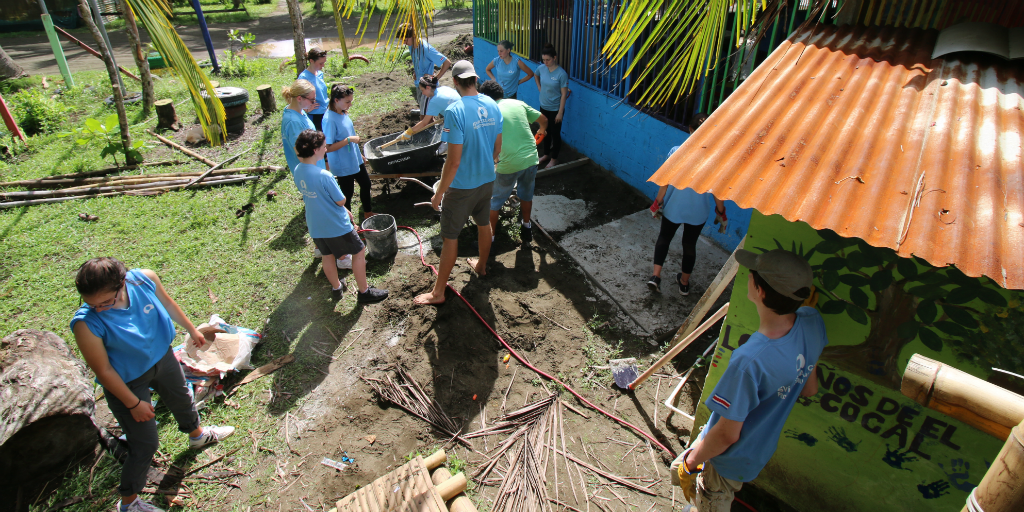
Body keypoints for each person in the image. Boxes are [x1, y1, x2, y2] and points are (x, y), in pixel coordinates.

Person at [70, 257, 236, 512]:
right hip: (127, 382)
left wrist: (192, 329)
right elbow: (103, 371)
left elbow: (168, 303)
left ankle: (197, 436)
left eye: (106, 302)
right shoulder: (86, 323)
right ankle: (129, 504)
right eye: (92, 304)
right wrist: (133, 403)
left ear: (123, 283)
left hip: (162, 357)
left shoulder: (144, 279)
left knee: (182, 398)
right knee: (145, 443)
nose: (100, 309)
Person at [671, 249, 827, 512]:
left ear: (760, 291)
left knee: (705, 498)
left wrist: (691, 463)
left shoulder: (749, 360)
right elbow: (810, 389)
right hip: (756, 452)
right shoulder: (812, 322)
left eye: (752, 275)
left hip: (724, 461)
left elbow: (727, 435)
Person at [414, 60, 502, 305]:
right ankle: (481, 266)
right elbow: (498, 147)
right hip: (487, 180)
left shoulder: (455, 111)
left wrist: (438, 194)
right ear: (475, 80)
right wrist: (485, 163)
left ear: (454, 81)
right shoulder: (493, 105)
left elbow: (452, 163)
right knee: (483, 223)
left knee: (451, 236)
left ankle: (438, 293)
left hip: (462, 186)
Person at [293, 129, 389, 304]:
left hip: (315, 225)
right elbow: (340, 200)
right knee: (359, 250)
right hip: (335, 225)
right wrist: (344, 206)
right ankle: (364, 292)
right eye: (324, 147)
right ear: (315, 150)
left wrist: (345, 209)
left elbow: (315, 196)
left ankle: (337, 288)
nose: (326, 149)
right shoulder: (324, 175)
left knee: (327, 255)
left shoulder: (298, 169)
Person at [647, 114, 725, 296]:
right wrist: (721, 213)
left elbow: (664, 181)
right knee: (690, 245)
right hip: (698, 213)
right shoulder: (714, 159)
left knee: (664, 238)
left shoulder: (676, 151)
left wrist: (657, 202)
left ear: (690, 129)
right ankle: (684, 283)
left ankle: (655, 277)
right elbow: (717, 191)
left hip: (674, 207)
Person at [478, 79, 547, 246]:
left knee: (493, 202)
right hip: (531, 158)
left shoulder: (487, 111)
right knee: (526, 194)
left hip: (508, 164)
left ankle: (491, 240)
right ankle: (526, 227)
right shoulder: (518, 103)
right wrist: (541, 130)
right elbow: (544, 120)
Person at [324, 83, 374, 226]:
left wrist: (360, 155)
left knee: (366, 184)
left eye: (351, 101)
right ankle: (350, 224)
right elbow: (328, 147)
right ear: (336, 100)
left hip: (354, 158)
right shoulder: (330, 119)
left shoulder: (342, 112)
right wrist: (348, 140)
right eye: (347, 102)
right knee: (348, 194)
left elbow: (350, 133)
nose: (350, 104)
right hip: (342, 163)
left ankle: (368, 212)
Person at [395, 74, 461, 152]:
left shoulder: (435, 100)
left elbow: (424, 122)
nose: (422, 93)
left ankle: (443, 148)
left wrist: (408, 132)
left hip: (459, 122)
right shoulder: (444, 88)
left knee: (444, 142)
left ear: (428, 87)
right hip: (465, 113)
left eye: (422, 90)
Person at [399, 23, 452, 116]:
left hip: (428, 88)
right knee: (426, 113)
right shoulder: (411, 46)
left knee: (425, 117)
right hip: (419, 85)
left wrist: (435, 78)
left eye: (405, 39)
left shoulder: (425, 48)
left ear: (412, 36)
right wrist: (416, 71)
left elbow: (447, 62)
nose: (404, 42)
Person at [535, 43, 569, 169]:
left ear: (554, 58)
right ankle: (546, 155)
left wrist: (560, 112)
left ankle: (554, 159)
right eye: (543, 60)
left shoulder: (561, 74)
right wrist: (539, 87)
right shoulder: (542, 68)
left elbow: (564, 94)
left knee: (555, 134)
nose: (545, 62)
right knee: (545, 131)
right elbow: (535, 74)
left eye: (548, 60)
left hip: (555, 109)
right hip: (544, 106)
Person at [281, 79, 324, 172]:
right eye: (311, 100)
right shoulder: (293, 122)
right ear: (299, 98)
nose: (313, 103)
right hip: (311, 173)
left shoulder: (299, 111)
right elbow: (302, 155)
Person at [297, 48, 329, 131]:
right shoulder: (304, 77)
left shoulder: (320, 74)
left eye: (324, 63)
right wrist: (306, 109)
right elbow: (297, 98)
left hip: (325, 111)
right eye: (320, 63)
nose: (323, 66)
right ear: (311, 61)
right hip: (315, 115)